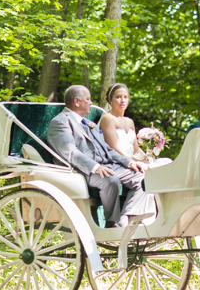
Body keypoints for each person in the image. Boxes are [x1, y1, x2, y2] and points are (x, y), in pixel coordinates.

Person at [47, 85, 148, 228]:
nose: (91, 103)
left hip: (107, 166)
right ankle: (111, 223)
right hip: (81, 170)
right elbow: (70, 152)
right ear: (76, 102)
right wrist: (95, 167)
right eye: (87, 99)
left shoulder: (87, 122)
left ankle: (126, 219)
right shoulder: (61, 122)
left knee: (142, 177)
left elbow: (107, 149)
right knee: (111, 180)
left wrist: (128, 162)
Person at [99, 83, 146, 161]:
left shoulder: (130, 121)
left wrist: (145, 158)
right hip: (118, 162)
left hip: (134, 159)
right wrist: (134, 161)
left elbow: (136, 149)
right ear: (110, 99)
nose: (123, 100)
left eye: (125, 97)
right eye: (118, 97)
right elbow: (113, 148)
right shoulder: (108, 118)